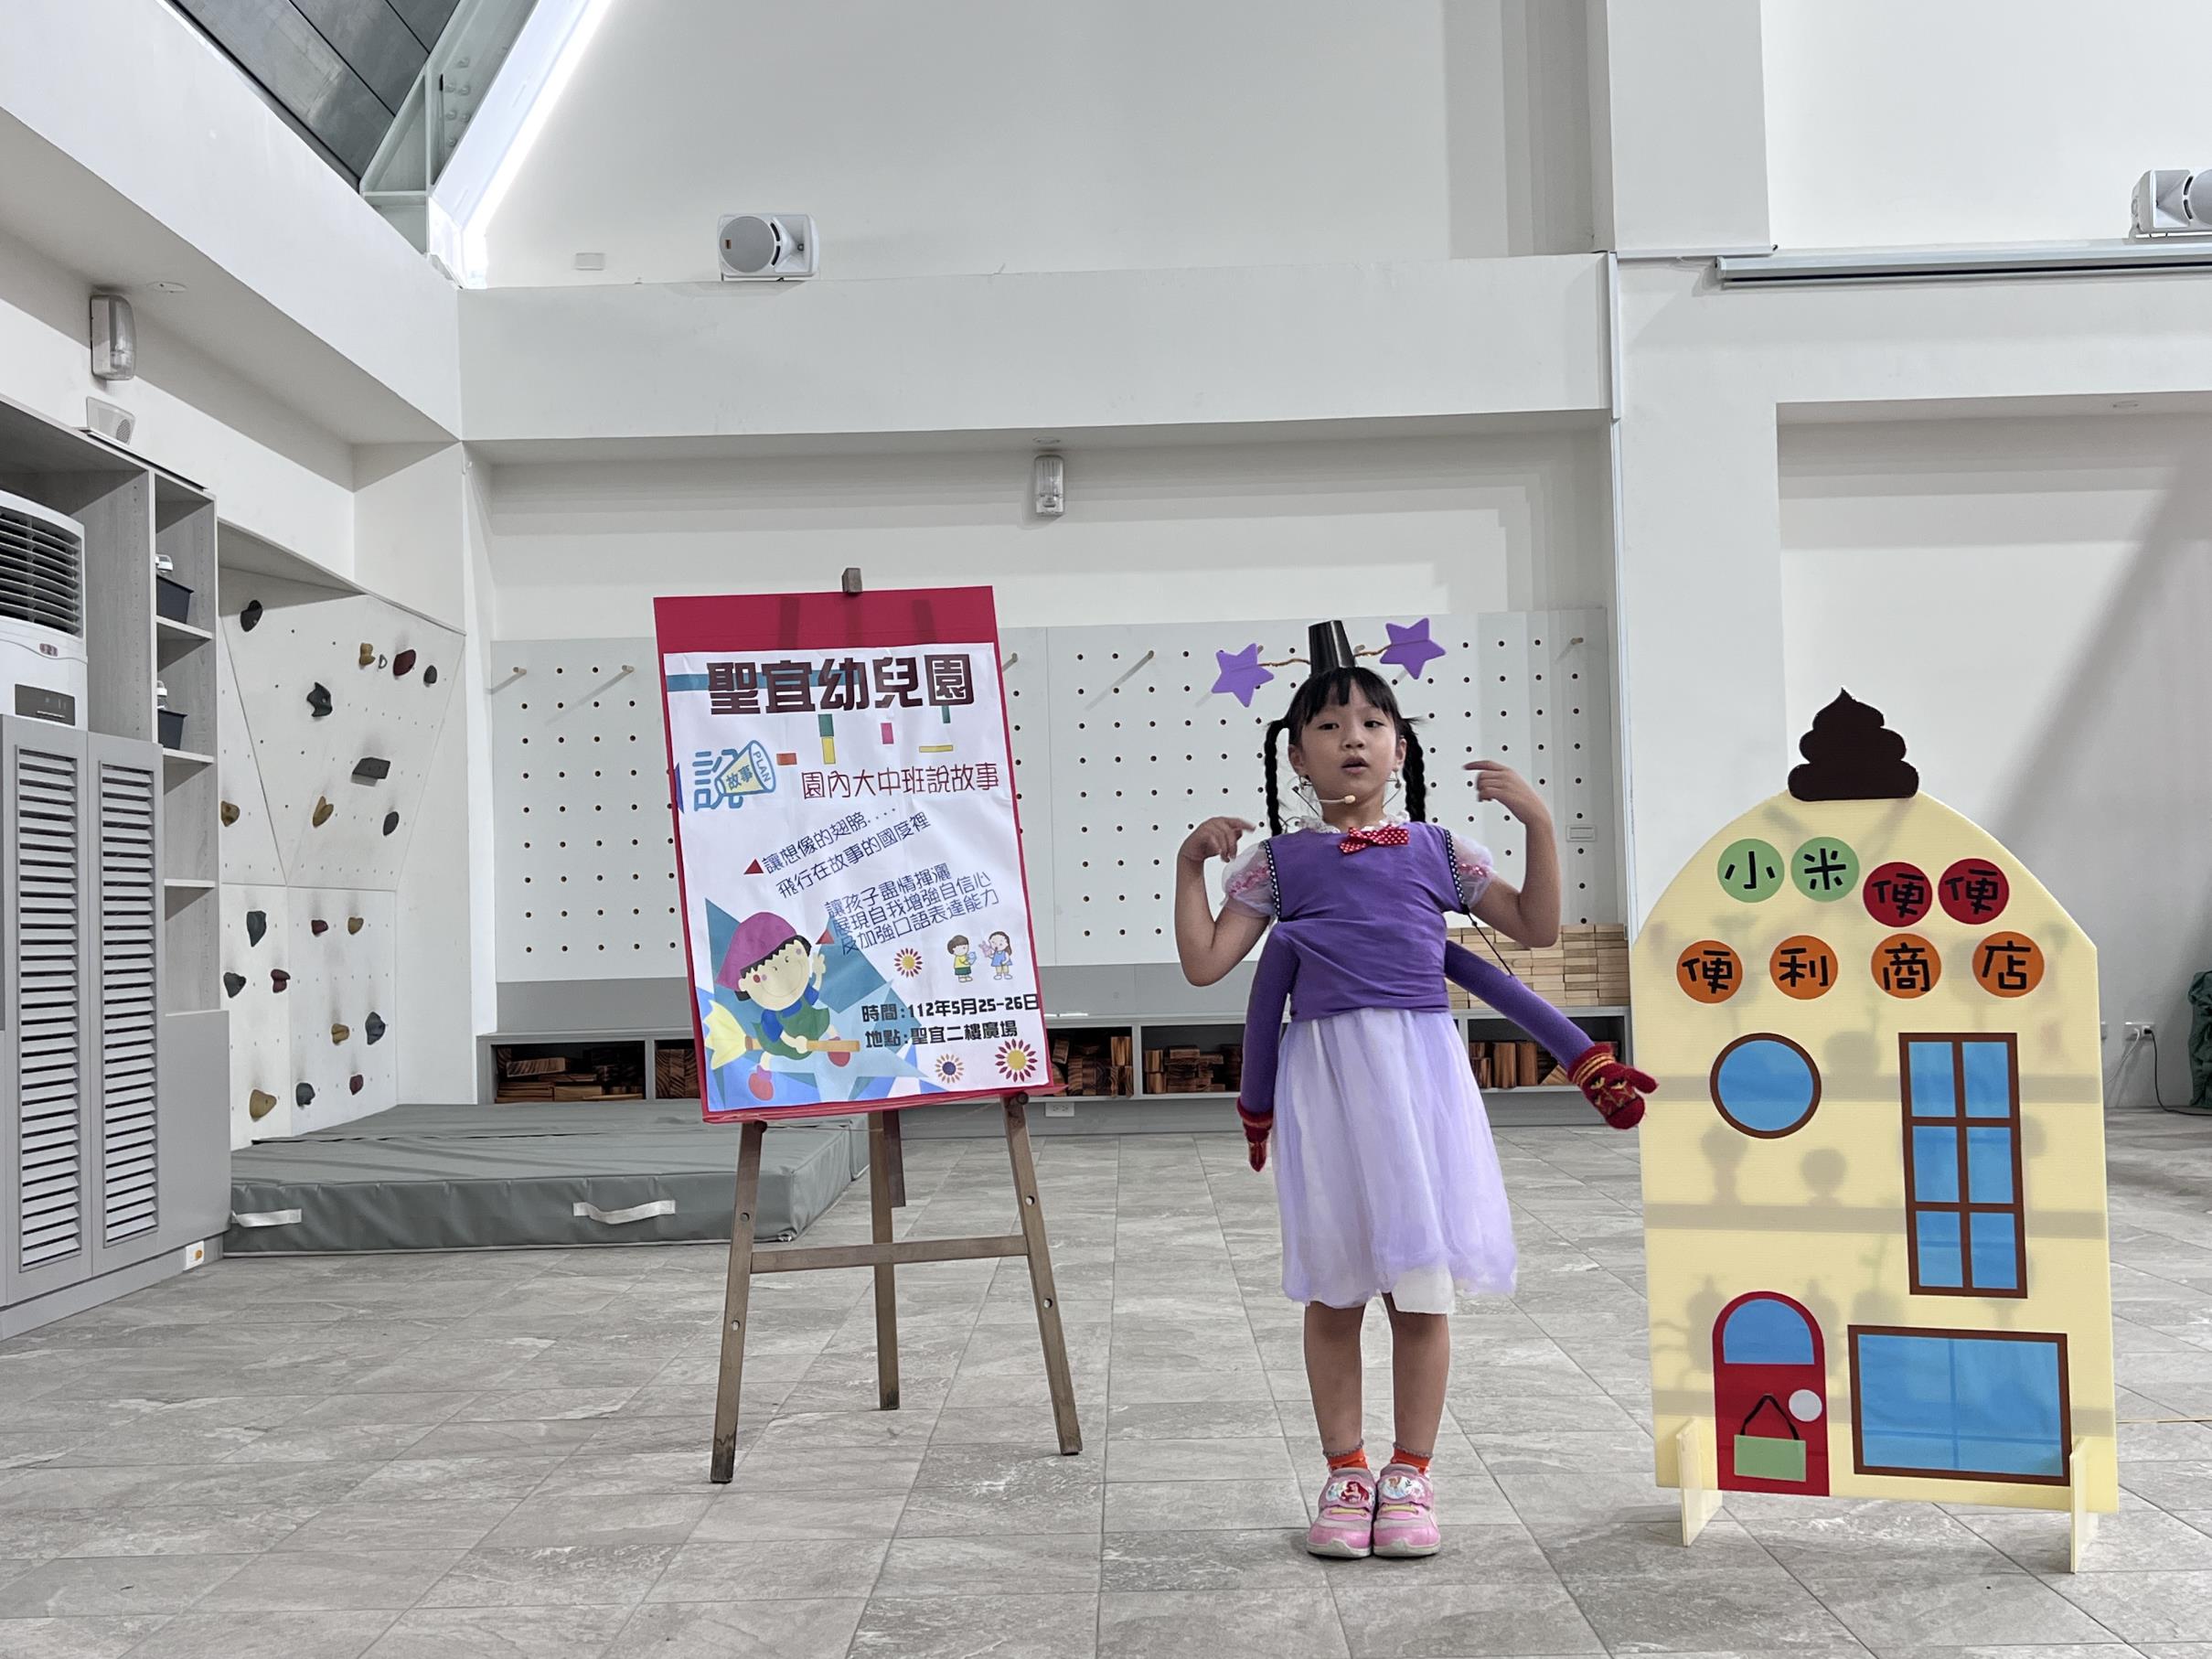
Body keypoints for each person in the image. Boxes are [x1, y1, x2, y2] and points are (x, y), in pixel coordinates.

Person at [1173, 622, 1649, 1562]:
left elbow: (1535, 929)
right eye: (1327, 725)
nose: (1351, 737)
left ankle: (1411, 1472)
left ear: (1400, 746)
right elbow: (1205, 962)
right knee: (1334, 1279)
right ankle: (1345, 1469)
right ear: (1296, 756)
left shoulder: (1440, 849)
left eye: (1371, 722)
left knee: (1421, 1285)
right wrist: (1189, 865)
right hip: (1325, 1084)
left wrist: (1539, 824)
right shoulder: (1276, 864)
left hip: (1422, 1079)